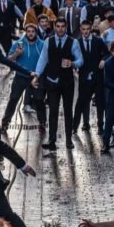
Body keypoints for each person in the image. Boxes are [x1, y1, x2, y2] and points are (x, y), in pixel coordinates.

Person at [33, 17, 84, 150]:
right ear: (54, 27)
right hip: (52, 81)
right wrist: (36, 76)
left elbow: (80, 60)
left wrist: (72, 63)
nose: (60, 29)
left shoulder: (73, 42)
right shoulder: (48, 41)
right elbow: (42, 60)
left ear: (66, 27)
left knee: (68, 111)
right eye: (58, 26)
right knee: (53, 111)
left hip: (67, 82)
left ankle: (68, 140)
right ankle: (52, 141)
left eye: (62, 26)